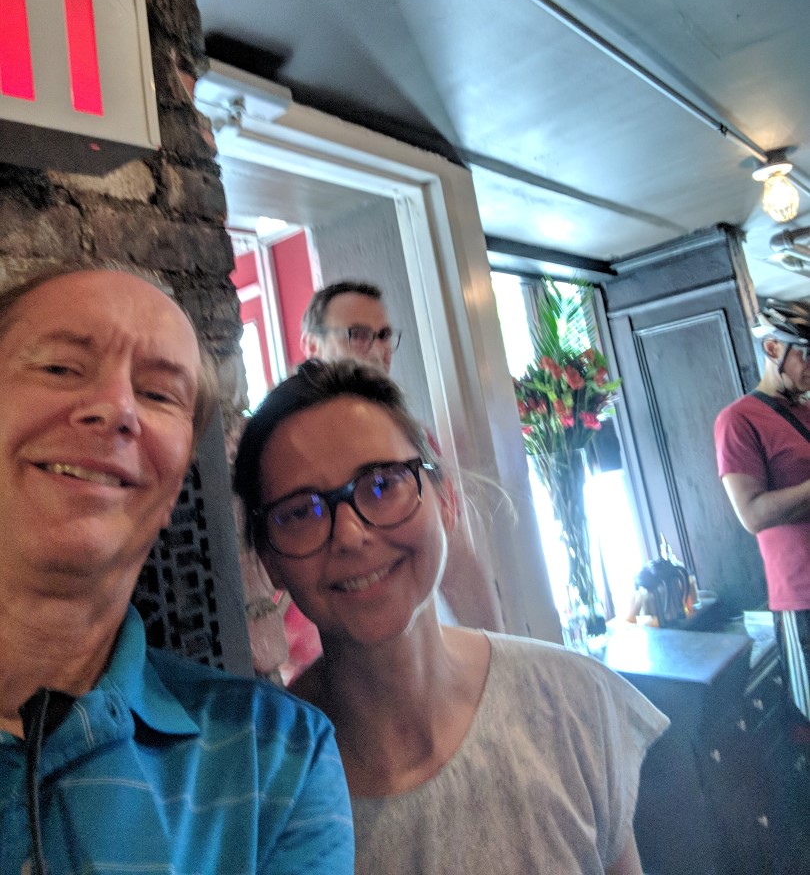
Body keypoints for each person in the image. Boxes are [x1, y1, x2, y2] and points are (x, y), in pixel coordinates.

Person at [234, 358, 668, 875]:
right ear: (269, 560)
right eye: (301, 512)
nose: (350, 535)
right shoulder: (259, 790)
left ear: (445, 501)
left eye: (381, 484)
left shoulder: (572, 701)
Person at [0, 264, 353, 874]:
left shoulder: (274, 757)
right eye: (59, 368)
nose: (117, 410)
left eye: (160, 394)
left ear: (173, 491)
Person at [301, 279, 503, 634]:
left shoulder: (414, 439)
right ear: (312, 345)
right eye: (358, 335)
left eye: (383, 336)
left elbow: (457, 564)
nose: (377, 350)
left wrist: (498, 650)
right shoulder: (289, 448)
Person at [715, 298, 810, 725]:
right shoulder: (738, 420)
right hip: (802, 597)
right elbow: (751, 514)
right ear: (772, 348)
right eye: (806, 353)